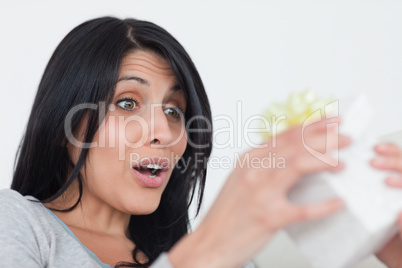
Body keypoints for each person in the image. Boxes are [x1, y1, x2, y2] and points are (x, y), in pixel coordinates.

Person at [0, 16, 401, 268]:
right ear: (61, 124)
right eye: (126, 102)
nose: (163, 132)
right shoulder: (17, 223)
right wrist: (207, 251)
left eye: (175, 110)